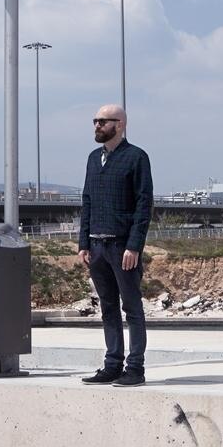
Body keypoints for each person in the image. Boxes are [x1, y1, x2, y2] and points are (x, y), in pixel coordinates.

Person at [78, 103, 153, 387]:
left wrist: (134, 246)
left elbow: (144, 205)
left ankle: (135, 368)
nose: (97, 126)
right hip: (96, 247)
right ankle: (112, 364)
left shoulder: (136, 158)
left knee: (132, 308)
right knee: (107, 308)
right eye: (95, 121)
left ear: (119, 124)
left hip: (123, 248)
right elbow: (87, 201)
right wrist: (83, 242)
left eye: (102, 121)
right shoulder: (92, 159)